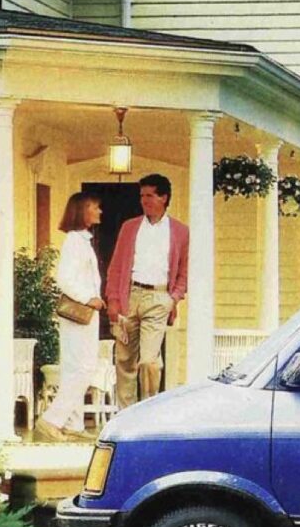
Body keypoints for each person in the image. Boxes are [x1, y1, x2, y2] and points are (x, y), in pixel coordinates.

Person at [105, 174, 189, 407]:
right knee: (124, 360)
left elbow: (184, 270)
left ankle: (147, 409)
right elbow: (115, 267)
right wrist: (113, 300)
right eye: (142, 196)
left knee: (150, 361)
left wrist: (173, 298)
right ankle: (125, 414)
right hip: (129, 295)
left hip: (160, 298)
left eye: (149, 195)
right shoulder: (130, 228)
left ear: (164, 197)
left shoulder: (180, 232)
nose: (144, 200)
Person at [35, 193, 105, 442]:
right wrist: (89, 298)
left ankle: (72, 422)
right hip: (79, 313)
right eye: (95, 207)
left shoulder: (82, 241)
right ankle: (52, 419)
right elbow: (64, 278)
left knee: (75, 368)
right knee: (83, 368)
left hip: (85, 316)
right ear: (82, 210)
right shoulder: (74, 242)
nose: (100, 212)